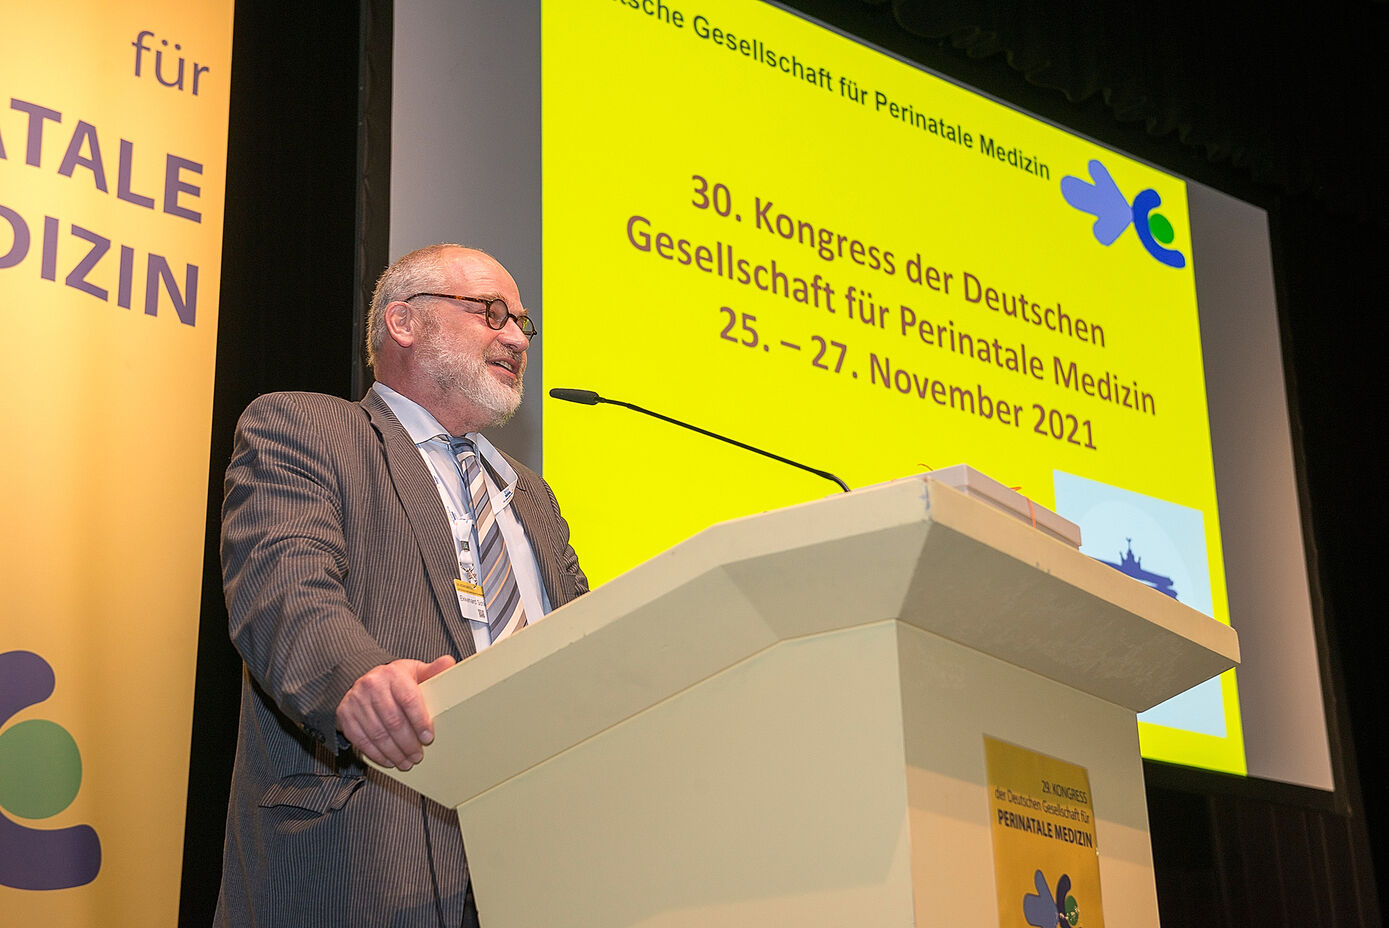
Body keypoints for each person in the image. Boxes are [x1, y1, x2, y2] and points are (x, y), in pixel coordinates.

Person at [215, 244, 587, 926]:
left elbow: (581, 645)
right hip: (371, 855)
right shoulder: (307, 430)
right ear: (404, 323)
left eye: (524, 325)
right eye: (493, 313)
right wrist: (355, 678)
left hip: (543, 859)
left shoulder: (531, 497)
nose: (516, 338)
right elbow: (284, 584)